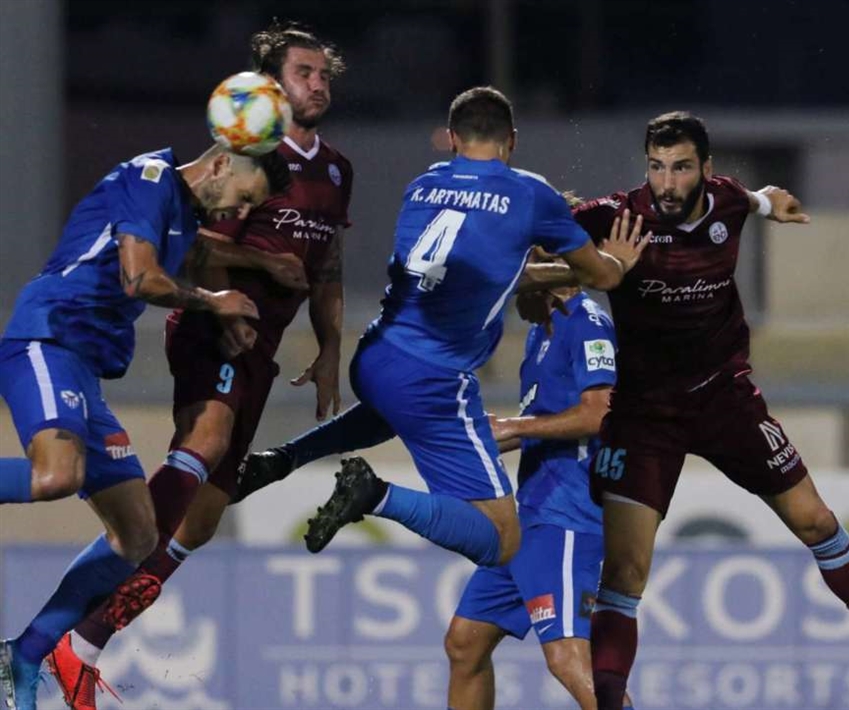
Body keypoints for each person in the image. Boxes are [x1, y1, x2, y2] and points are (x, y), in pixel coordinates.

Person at [548, 112, 849, 708]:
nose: (666, 183)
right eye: (656, 167)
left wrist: (774, 203)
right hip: (644, 414)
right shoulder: (616, 217)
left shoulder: (729, 202)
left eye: (681, 168)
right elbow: (528, 252)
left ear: (706, 170)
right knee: (626, 574)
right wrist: (596, 269)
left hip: (723, 398)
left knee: (815, 520)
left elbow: (758, 199)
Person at [42, 21, 353, 710]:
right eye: (304, 73)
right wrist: (242, 287)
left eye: (323, 75)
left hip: (263, 345)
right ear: (269, 86)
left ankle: (84, 644)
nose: (318, 85)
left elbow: (327, 263)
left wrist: (330, 347)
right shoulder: (245, 155)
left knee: (205, 519)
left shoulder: (336, 169)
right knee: (204, 443)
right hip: (216, 328)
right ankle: (98, 582)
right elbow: (197, 242)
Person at [239, 86, 647, 580]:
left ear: (452, 138)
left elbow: (497, 272)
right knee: (501, 540)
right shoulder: (529, 193)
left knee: (395, 412)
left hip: (377, 356)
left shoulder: (424, 184)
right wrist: (617, 262)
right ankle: (376, 494)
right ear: (513, 140)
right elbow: (601, 276)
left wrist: (556, 273)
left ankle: (283, 458)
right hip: (434, 378)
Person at [0, 136, 292, 709]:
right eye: (242, 197)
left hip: (84, 368)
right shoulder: (148, 179)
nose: (237, 212)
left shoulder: (183, 212)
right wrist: (216, 301)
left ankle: (26, 653)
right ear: (220, 163)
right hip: (47, 338)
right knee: (56, 475)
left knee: (139, 535)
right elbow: (138, 279)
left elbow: (194, 256)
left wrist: (227, 314)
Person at [445, 249, 635, 710]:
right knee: (465, 642)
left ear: (549, 269)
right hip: (528, 517)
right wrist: (486, 437)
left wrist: (515, 426)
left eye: (522, 274)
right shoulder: (538, 334)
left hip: (567, 516)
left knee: (568, 658)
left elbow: (600, 413)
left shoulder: (587, 323)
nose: (513, 293)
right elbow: (545, 423)